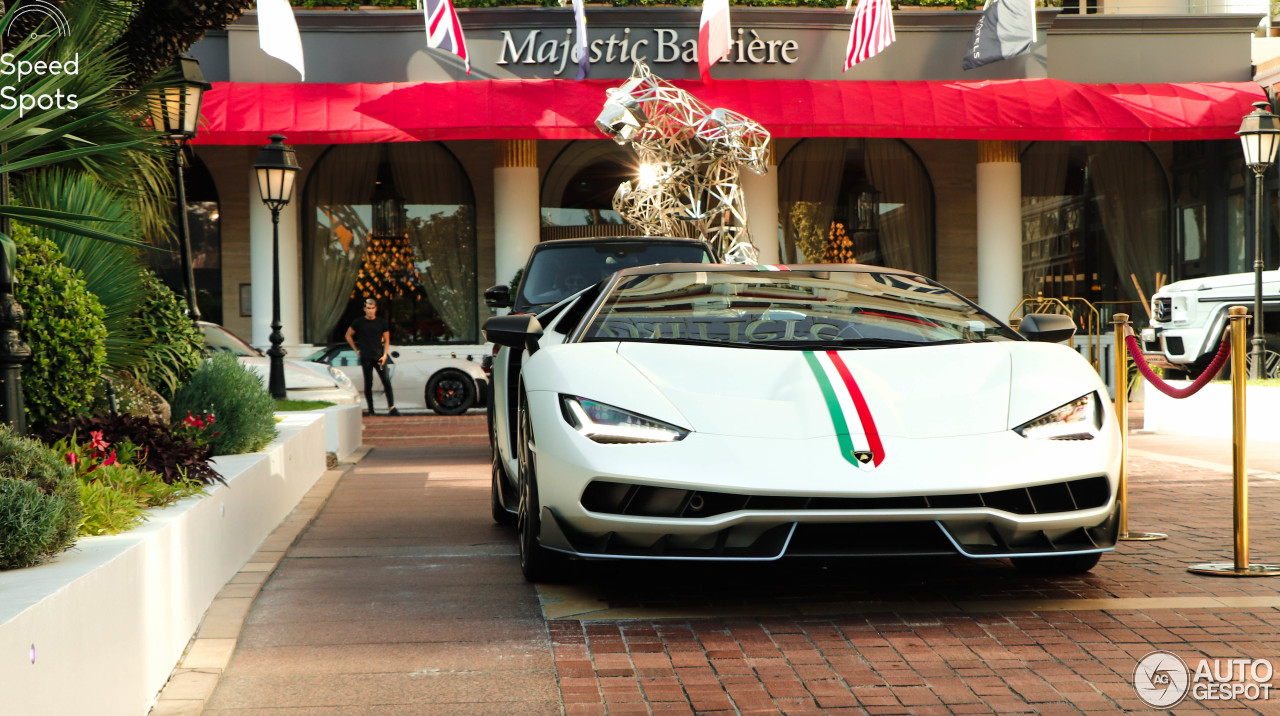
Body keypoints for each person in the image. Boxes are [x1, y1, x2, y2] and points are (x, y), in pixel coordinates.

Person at [345, 298, 399, 416]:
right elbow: (348, 335)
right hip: (365, 357)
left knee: (386, 381)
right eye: (368, 308)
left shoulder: (381, 323)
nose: (370, 311)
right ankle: (371, 410)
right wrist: (356, 351)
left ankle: (391, 407)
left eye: (372, 308)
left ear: (376, 309)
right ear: (364, 309)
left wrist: (385, 355)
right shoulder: (358, 322)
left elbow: (387, 340)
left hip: (379, 357)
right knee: (368, 383)